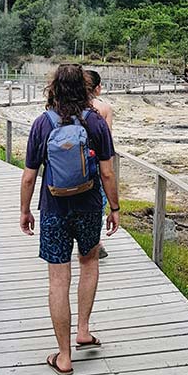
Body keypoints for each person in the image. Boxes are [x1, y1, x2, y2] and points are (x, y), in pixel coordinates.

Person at [20, 63, 120, 375]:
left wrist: (25, 211)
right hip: (89, 205)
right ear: (85, 87)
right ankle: (84, 331)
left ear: (54, 88)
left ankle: (64, 357)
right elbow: (107, 172)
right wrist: (114, 208)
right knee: (89, 262)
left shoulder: (43, 123)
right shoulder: (96, 121)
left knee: (58, 280)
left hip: (53, 209)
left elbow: (29, 176)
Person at [85, 69, 114, 260]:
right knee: (97, 200)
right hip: (95, 161)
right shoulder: (104, 108)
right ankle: (95, 241)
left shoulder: (67, 106)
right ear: (97, 88)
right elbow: (107, 140)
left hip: (70, 162)